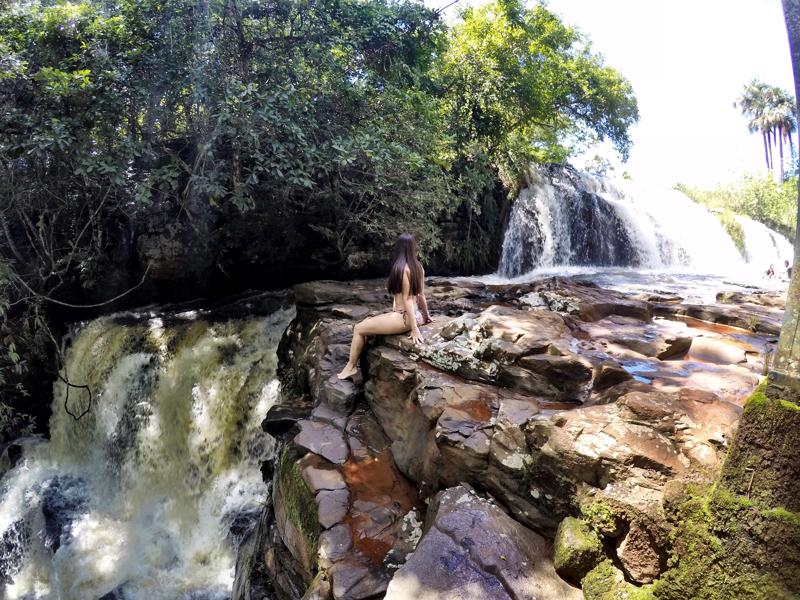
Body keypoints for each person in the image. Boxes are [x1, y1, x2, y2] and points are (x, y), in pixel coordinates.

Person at [337, 233, 432, 380]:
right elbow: (421, 295)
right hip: (416, 315)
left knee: (359, 328)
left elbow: (406, 300)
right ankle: (355, 361)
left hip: (403, 318)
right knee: (369, 321)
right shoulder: (419, 267)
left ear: (399, 249)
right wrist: (426, 316)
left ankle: (351, 367)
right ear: (413, 248)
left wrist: (414, 329)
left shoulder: (400, 269)